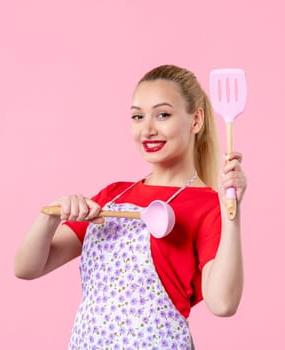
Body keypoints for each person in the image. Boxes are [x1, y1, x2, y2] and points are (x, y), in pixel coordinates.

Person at [14, 64, 247, 349]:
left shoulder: (208, 204)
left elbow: (222, 303)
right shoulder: (113, 195)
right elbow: (27, 268)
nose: (147, 129)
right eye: (138, 116)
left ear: (195, 120)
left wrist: (231, 212)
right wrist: (50, 215)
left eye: (163, 115)